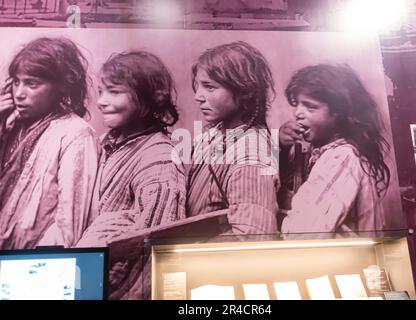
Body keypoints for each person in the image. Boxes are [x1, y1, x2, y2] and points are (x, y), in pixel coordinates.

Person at [76, 51, 186, 299]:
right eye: (102, 91)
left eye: (114, 92)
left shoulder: (159, 157)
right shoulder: (110, 141)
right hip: (94, 276)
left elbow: (155, 242)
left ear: (152, 97)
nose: (101, 101)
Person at [0, 37, 99, 249]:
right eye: (16, 82)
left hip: (36, 264)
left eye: (31, 84)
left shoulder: (75, 134)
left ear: (61, 87)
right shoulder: (10, 126)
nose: (19, 93)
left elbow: (69, 224)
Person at [279, 64, 391, 234]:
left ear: (338, 113)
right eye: (297, 105)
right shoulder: (316, 152)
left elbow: (303, 232)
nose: (297, 113)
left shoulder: (342, 157)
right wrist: (281, 147)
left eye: (310, 106)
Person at [186, 41, 279, 237]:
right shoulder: (215, 136)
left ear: (244, 91)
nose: (198, 96)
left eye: (210, 87)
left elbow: (252, 239)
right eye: (198, 86)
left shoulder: (251, 157)